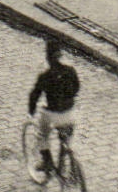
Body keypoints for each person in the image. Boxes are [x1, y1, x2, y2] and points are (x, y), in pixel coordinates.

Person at [27, 40, 82, 182]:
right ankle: (71, 167)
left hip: (52, 115)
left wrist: (31, 112)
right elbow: (76, 88)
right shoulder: (70, 71)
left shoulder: (45, 76)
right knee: (68, 137)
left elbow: (34, 95)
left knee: (42, 135)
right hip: (69, 113)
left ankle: (47, 162)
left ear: (48, 57)